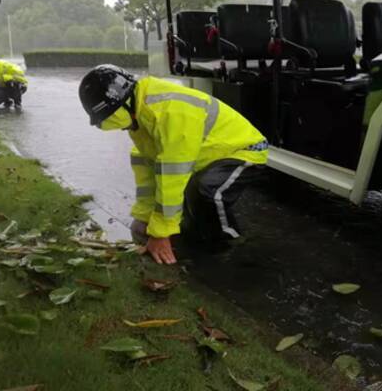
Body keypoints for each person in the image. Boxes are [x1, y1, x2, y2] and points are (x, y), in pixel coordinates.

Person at [79, 65, 269, 265]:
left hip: (244, 149)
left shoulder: (170, 112)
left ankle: (232, 244)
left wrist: (160, 234)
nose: (117, 128)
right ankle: (203, 241)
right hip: (212, 153)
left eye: (112, 118)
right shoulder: (139, 115)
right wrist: (144, 217)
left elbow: (173, 174)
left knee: (208, 192)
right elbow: (149, 172)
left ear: (123, 105)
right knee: (188, 205)